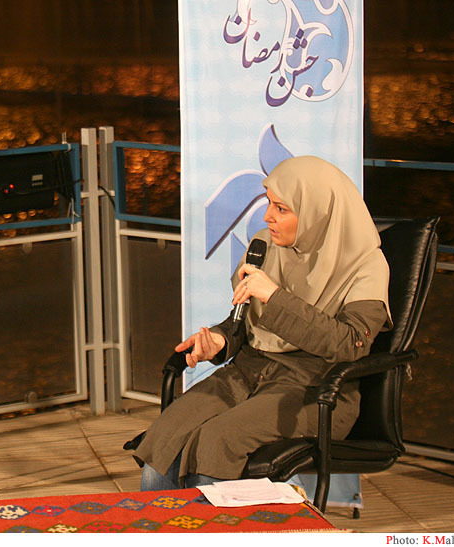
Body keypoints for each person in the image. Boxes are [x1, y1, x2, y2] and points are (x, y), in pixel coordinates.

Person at [134, 156, 391, 490]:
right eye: (269, 203)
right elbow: (244, 322)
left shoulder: (366, 265)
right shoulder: (264, 245)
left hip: (315, 388)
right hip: (249, 373)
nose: (268, 216)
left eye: (281, 209)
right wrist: (220, 340)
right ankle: (161, 522)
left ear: (316, 212)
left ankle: (215, 521)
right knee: (169, 431)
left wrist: (275, 296)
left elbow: (350, 344)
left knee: (218, 440)